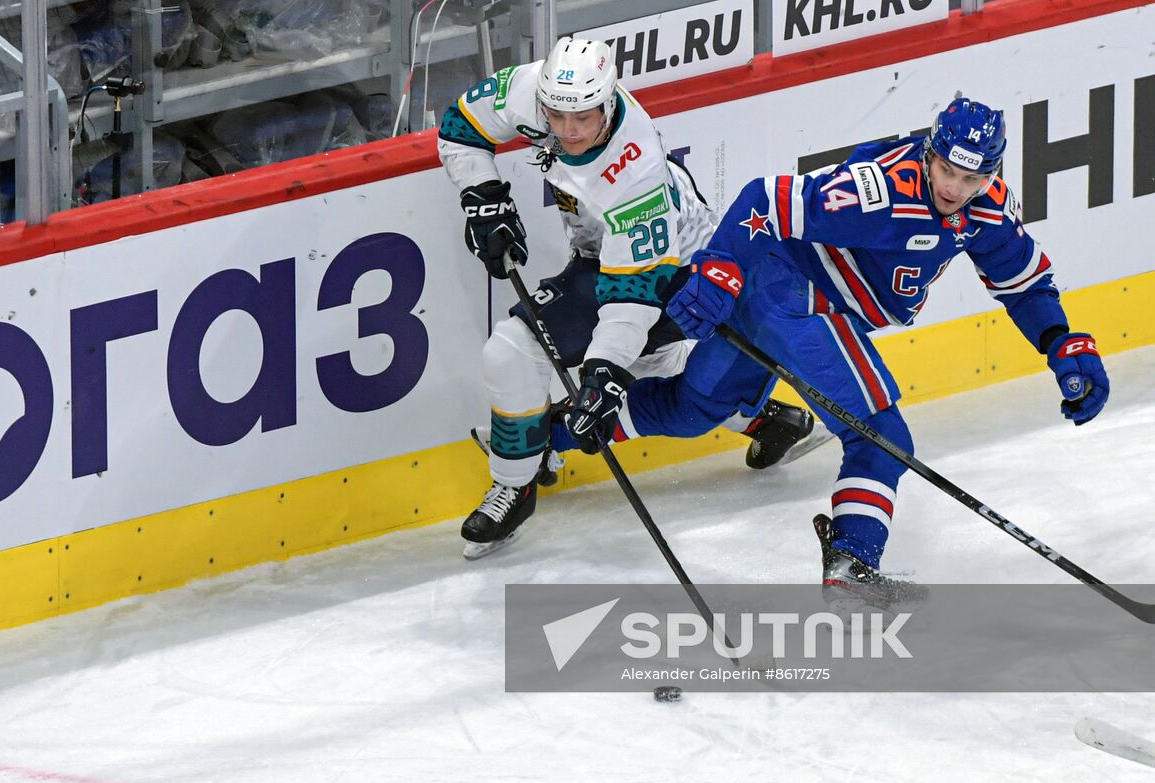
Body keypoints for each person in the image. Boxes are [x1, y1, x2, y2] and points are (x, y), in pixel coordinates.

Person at [615, 97, 1109, 607]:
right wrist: (719, 267)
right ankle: (853, 562)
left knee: (691, 410)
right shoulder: (880, 192)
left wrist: (1061, 342)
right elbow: (763, 200)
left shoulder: (988, 210)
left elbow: (1024, 285)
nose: (954, 189)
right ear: (929, 153)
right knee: (881, 436)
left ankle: (549, 433)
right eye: (945, 171)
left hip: (772, 297)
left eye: (972, 179)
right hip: (799, 297)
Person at [436, 37, 821, 559]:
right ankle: (768, 420)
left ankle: (521, 475)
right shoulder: (530, 92)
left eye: (583, 118)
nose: (568, 132)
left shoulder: (633, 170)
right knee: (578, 360)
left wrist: (602, 373)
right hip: (602, 255)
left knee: (615, 365)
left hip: (677, 269)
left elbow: (630, 298)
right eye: (557, 115)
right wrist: (484, 198)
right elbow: (460, 127)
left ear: (610, 101)